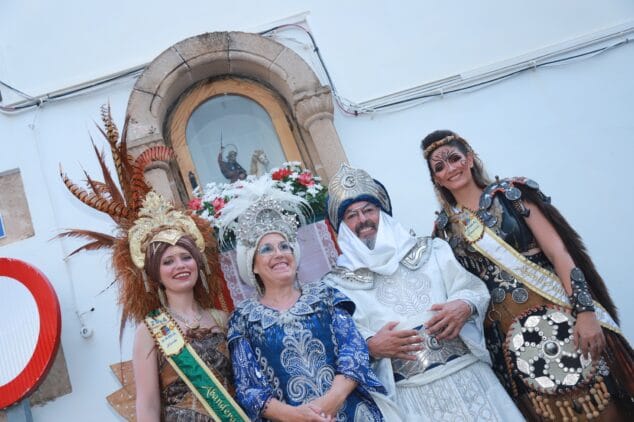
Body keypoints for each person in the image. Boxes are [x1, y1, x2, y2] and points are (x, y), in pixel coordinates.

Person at [421, 130, 634, 421]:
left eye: (455, 158)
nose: (450, 168)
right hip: (507, 341)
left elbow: (560, 254)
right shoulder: (444, 231)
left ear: (470, 159)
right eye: (439, 166)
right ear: (436, 179)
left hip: (560, 314)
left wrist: (585, 313)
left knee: (601, 398)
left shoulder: (511, 196)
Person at [60, 107, 248, 421]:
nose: (180, 266)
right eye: (168, 261)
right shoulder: (150, 331)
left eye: (186, 257)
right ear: (154, 275)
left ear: (200, 263)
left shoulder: (222, 318)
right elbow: (147, 406)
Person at [321, 164, 523, 421]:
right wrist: (371, 347)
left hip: (469, 376)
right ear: (342, 227)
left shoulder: (430, 250)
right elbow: (342, 344)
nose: (363, 220)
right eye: (351, 215)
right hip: (410, 399)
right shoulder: (338, 286)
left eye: (369, 210)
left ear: (382, 212)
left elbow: (473, 289)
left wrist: (464, 305)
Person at [219, 177, 402, 421]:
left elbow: (354, 350)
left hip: (351, 412)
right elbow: (248, 388)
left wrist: (331, 400)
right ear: (252, 265)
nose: (279, 254)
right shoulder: (243, 318)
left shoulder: (325, 294)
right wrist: (294, 415)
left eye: (285, 246)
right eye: (267, 249)